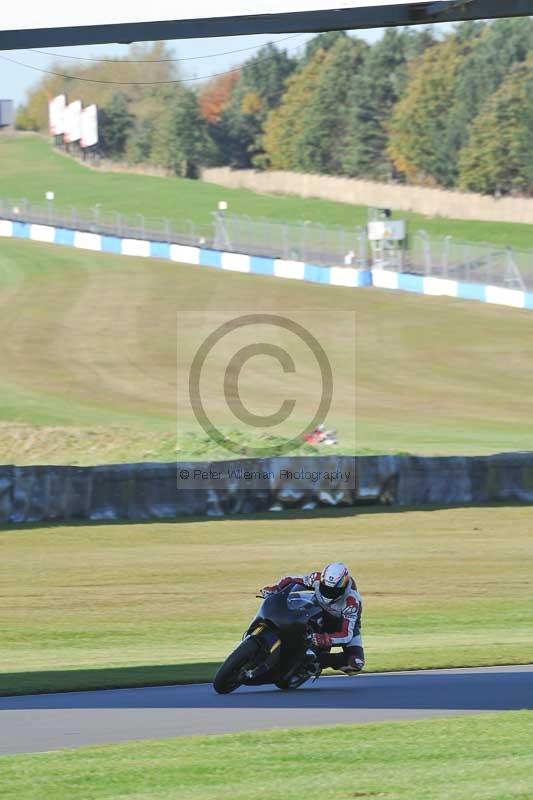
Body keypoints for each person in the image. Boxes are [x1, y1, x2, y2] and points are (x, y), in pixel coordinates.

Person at [261, 562, 364, 674]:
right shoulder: (316, 578)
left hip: (342, 623)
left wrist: (324, 638)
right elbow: (292, 579)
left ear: (343, 587)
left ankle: (319, 661)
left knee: (357, 663)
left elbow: (346, 635)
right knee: (293, 603)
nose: (328, 593)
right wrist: (276, 588)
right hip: (319, 608)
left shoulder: (352, 602)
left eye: (333, 591)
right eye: (325, 588)